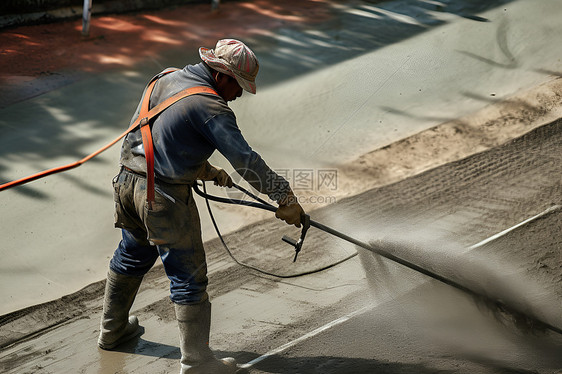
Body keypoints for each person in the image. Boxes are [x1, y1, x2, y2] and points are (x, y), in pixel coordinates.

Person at [97, 39, 304, 373]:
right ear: (222, 74)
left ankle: (111, 330)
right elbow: (246, 160)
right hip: (160, 198)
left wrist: (207, 170)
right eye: (239, 85)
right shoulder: (212, 107)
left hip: (127, 184)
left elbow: (161, 137)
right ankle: (196, 363)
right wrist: (285, 198)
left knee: (133, 253)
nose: (239, 94)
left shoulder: (165, 78)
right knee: (189, 276)